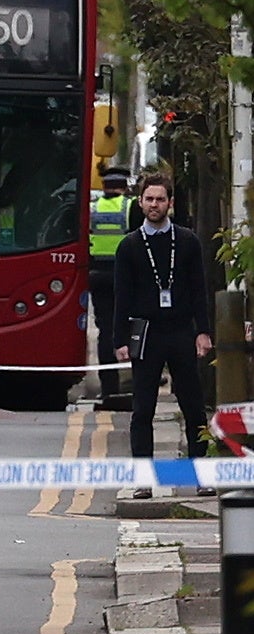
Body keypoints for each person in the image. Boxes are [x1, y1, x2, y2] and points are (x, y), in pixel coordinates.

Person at [114, 172, 215, 499]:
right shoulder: (129, 246)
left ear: (170, 203)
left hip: (181, 331)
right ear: (140, 202)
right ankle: (143, 478)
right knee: (143, 409)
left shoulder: (187, 242)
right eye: (148, 199)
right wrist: (120, 340)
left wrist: (203, 331)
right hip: (146, 333)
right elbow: (122, 297)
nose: (154, 205)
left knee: (193, 406)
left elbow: (200, 290)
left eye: (160, 199)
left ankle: (201, 474)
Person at [87, 167, 131, 401]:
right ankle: (132, 380)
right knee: (131, 326)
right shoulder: (130, 207)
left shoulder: (93, 209)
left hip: (97, 275)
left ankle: (109, 387)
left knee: (106, 330)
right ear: (124, 187)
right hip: (124, 276)